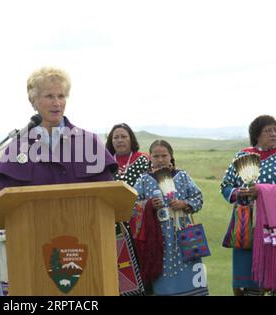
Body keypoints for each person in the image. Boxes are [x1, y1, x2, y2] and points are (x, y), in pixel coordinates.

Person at [0, 67, 117, 294]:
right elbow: (5, 204)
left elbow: (109, 197)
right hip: (32, 254)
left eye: (61, 96)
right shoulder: (17, 147)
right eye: (49, 96)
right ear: (33, 101)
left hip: (88, 254)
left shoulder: (89, 143)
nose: (57, 103)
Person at [131, 139, 209, 296]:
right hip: (158, 240)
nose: (160, 160)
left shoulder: (182, 176)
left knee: (190, 276)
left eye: (164, 155)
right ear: (150, 158)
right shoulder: (143, 180)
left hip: (185, 236)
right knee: (163, 280)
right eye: (156, 156)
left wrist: (184, 203)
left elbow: (198, 198)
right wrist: (148, 205)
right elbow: (132, 206)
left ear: (171, 156)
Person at [221, 114, 276, 296]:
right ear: (256, 134)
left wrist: (261, 191)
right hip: (245, 223)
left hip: (272, 222)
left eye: (275, 130)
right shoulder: (243, 155)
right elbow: (226, 185)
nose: (273, 134)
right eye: (268, 131)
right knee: (246, 278)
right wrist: (238, 193)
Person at [106, 123, 150, 296]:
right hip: (114, 223)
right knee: (120, 263)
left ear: (131, 139)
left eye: (123, 136)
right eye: (115, 137)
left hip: (142, 222)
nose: (119, 140)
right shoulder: (105, 162)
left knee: (143, 262)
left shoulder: (143, 159)